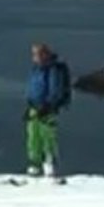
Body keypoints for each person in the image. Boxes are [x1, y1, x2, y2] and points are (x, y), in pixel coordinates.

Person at [25, 43, 71, 177]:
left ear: (44, 54)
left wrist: (48, 105)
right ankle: (35, 163)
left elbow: (54, 90)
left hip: (47, 109)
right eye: (33, 54)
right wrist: (29, 104)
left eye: (37, 54)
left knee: (47, 136)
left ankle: (49, 163)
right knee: (33, 136)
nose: (34, 57)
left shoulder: (53, 70)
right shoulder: (36, 69)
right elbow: (32, 88)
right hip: (34, 107)